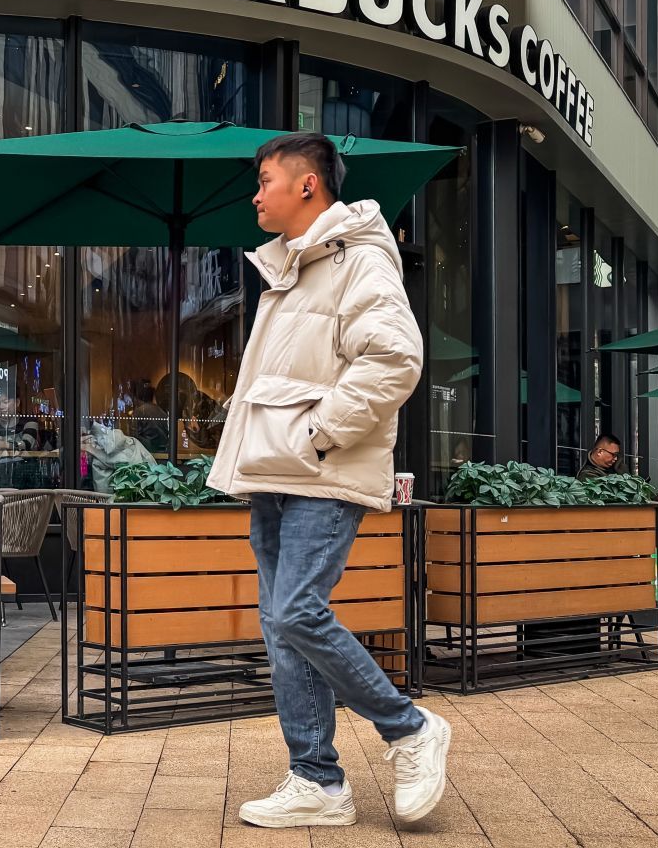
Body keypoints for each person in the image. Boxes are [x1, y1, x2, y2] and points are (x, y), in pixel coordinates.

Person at [208, 133, 450, 830]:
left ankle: (408, 729)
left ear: (307, 185)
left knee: (295, 614)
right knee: (283, 629)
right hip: (277, 471)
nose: (255, 195)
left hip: (319, 469)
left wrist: (318, 434)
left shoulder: (358, 261)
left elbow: (396, 361)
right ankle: (317, 781)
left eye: (264, 181)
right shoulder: (294, 267)